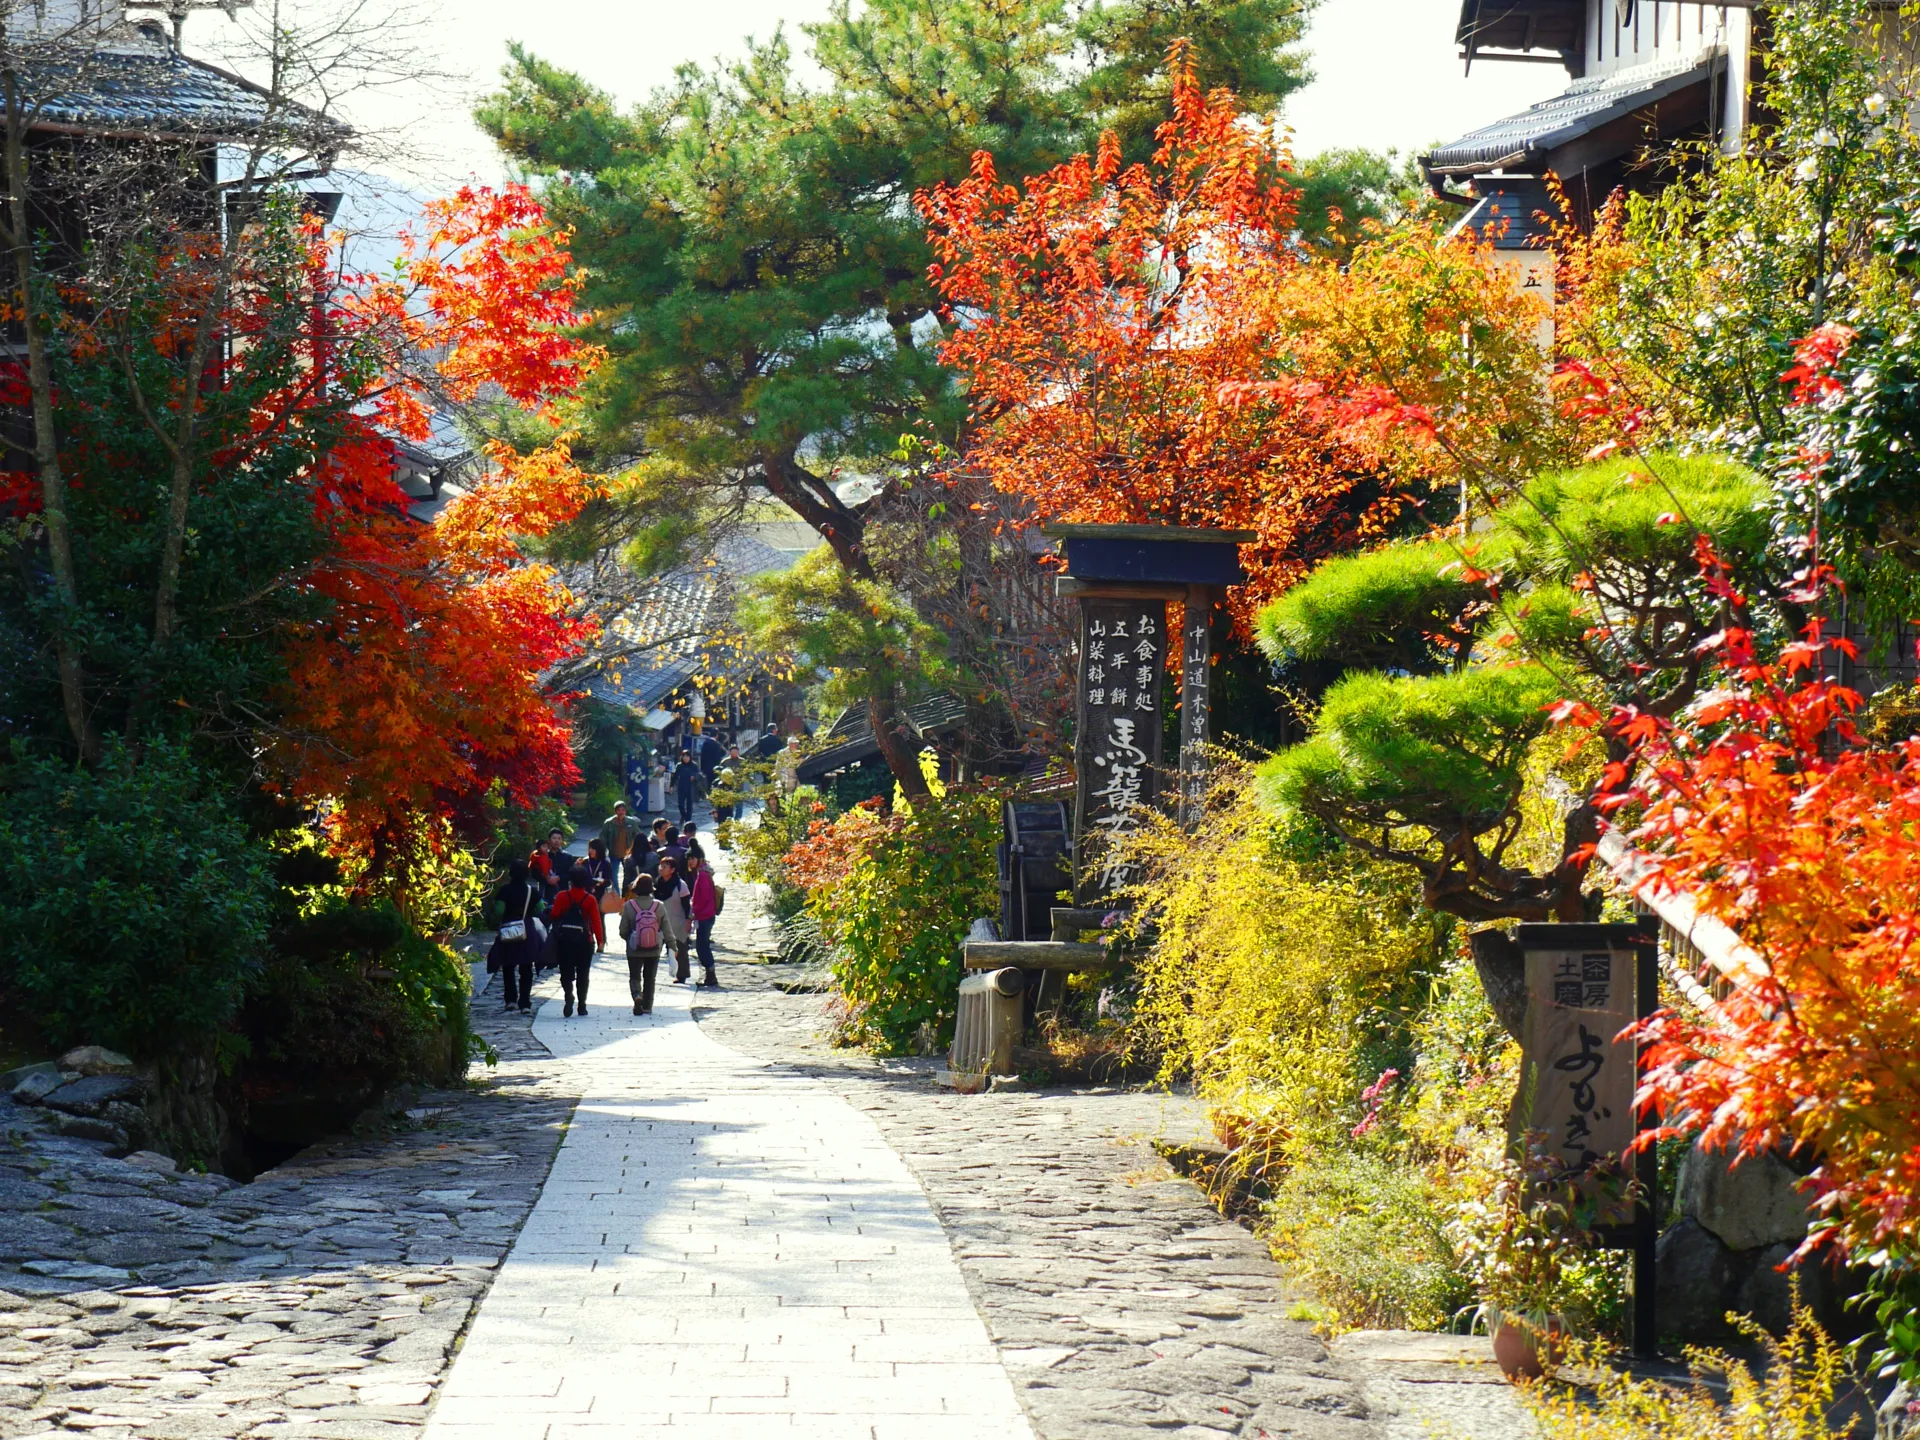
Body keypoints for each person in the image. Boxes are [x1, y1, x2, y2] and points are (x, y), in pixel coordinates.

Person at [549, 865, 604, 1018]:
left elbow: (554, 914)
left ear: (570, 880)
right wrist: (600, 940)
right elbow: (595, 921)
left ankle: (568, 995)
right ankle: (582, 1005)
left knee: (565, 971)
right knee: (583, 973)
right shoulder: (590, 899)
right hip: (584, 941)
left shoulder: (562, 896)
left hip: (565, 940)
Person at [489, 859, 540, 1013]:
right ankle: (525, 1003)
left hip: (508, 932)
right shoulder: (532, 891)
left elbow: (499, 911)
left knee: (508, 967)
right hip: (526, 932)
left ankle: (510, 1000)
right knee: (526, 968)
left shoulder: (504, 891)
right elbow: (540, 909)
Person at [618, 879, 666, 1015]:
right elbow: (666, 928)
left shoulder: (629, 906)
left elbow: (623, 930)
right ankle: (647, 1006)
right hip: (654, 949)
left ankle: (637, 995)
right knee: (650, 977)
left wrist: (630, 939)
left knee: (635, 976)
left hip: (634, 949)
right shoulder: (659, 906)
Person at [653, 854, 692, 983]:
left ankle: (682, 975)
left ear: (673, 869)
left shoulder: (681, 885)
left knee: (680, 949)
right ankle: (649, 974)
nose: (662, 869)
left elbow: (687, 906)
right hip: (660, 922)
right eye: (661, 866)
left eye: (665, 866)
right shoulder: (657, 883)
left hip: (678, 922)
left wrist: (688, 921)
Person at [685, 844, 719, 989]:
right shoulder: (703, 873)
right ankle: (709, 975)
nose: (690, 862)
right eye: (689, 859)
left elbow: (703, 897)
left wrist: (694, 913)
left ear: (699, 859)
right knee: (702, 945)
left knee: (702, 946)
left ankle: (711, 974)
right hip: (705, 914)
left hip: (705, 915)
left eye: (693, 858)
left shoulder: (703, 875)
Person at [599, 801, 642, 892]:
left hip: (628, 854)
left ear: (625, 811)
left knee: (629, 876)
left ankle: (626, 895)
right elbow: (603, 838)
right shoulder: (608, 823)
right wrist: (603, 851)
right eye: (619, 810)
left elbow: (638, 835)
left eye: (623, 810)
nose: (621, 812)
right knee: (614, 877)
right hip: (614, 853)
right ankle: (617, 896)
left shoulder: (631, 822)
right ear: (615, 811)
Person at [529, 828, 568, 902]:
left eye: (559, 838)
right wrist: (547, 878)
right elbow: (533, 873)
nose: (557, 841)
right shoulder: (541, 855)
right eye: (554, 838)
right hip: (545, 890)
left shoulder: (567, 856)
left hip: (562, 891)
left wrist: (559, 877)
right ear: (549, 840)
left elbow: (570, 874)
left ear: (562, 841)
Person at [672, 749, 704, 825]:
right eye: (684, 756)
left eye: (687, 756)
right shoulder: (679, 766)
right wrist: (671, 786)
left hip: (691, 788)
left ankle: (688, 822)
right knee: (681, 805)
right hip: (681, 788)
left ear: (690, 757)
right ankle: (684, 816)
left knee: (689, 806)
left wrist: (694, 777)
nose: (686, 758)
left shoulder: (694, 765)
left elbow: (699, 775)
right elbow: (675, 776)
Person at [713, 744, 743, 825]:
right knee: (727, 806)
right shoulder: (725, 762)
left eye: (736, 751)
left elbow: (747, 773)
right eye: (733, 751)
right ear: (730, 752)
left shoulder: (742, 761)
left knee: (739, 806)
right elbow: (719, 773)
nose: (735, 753)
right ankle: (726, 821)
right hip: (726, 787)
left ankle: (737, 821)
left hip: (738, 786)